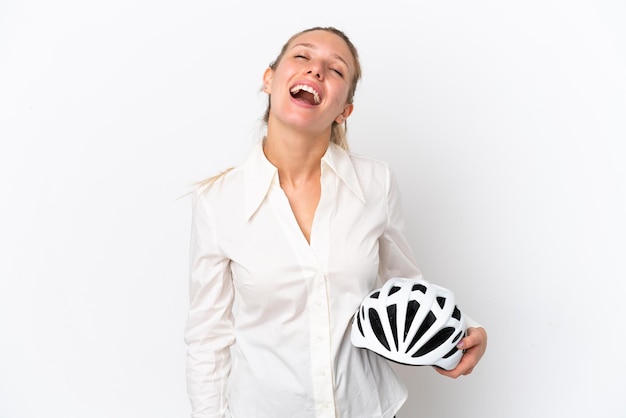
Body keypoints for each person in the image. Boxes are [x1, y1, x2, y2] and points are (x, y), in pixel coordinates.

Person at [185, 26, 487, 418]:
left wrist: (463, 332)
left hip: (367, 408)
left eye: (335, 70)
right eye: (302, 57)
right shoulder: (217, 203)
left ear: (344, 110)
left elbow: (406, 288)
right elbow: (208, 337)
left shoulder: (375, 183)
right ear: (269, 79)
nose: (315, 71)